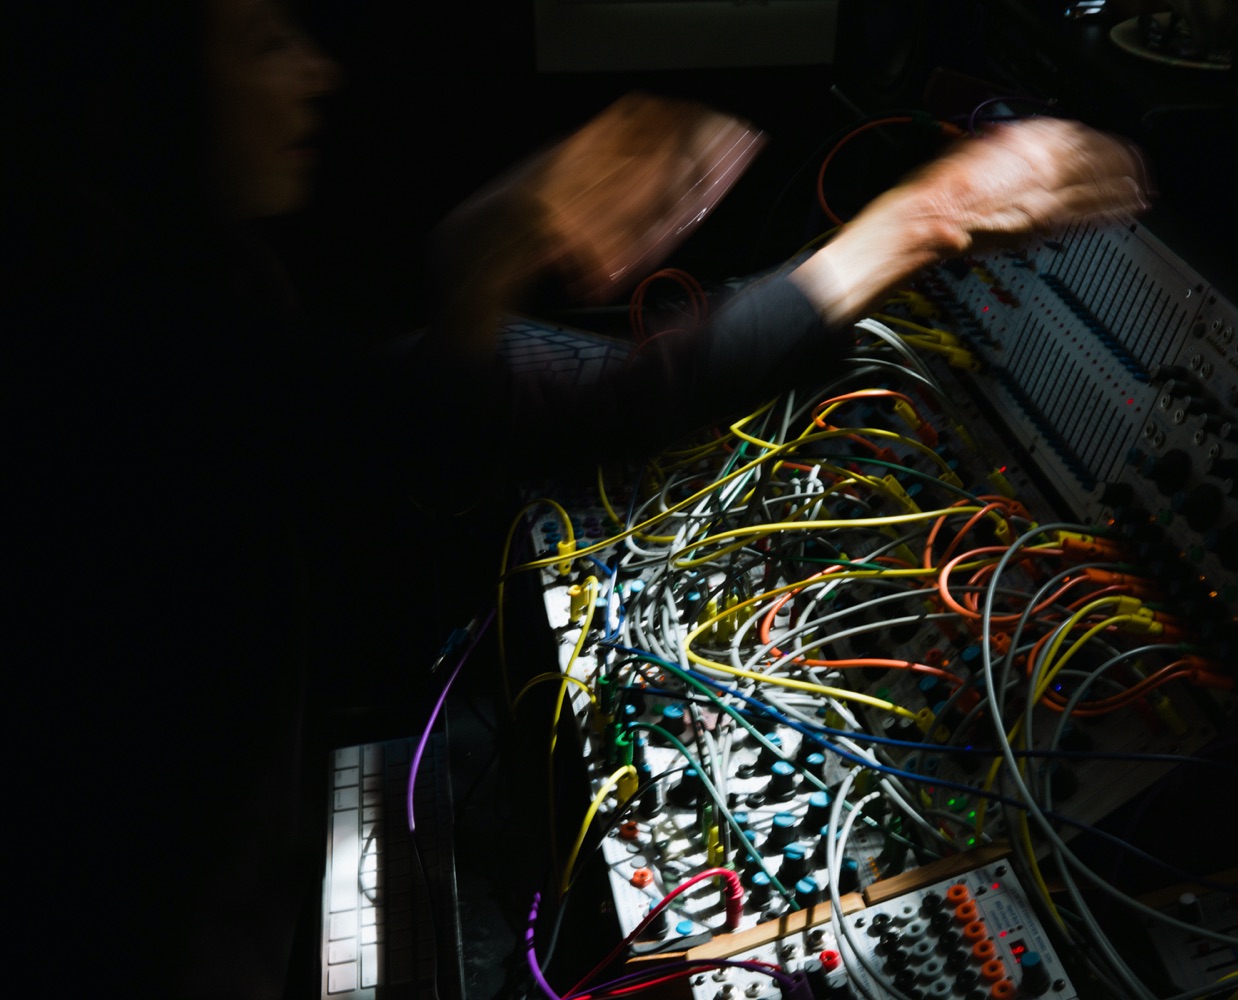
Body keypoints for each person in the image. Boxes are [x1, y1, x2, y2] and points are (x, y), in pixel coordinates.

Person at [3, 1, 1147, 996]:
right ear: (139, 95)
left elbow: (420, 413)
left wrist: (489, 256)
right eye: (260, 40)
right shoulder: (123, 353)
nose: (315, 68)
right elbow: (487, 425)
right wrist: (920, 219)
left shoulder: (154, 291)